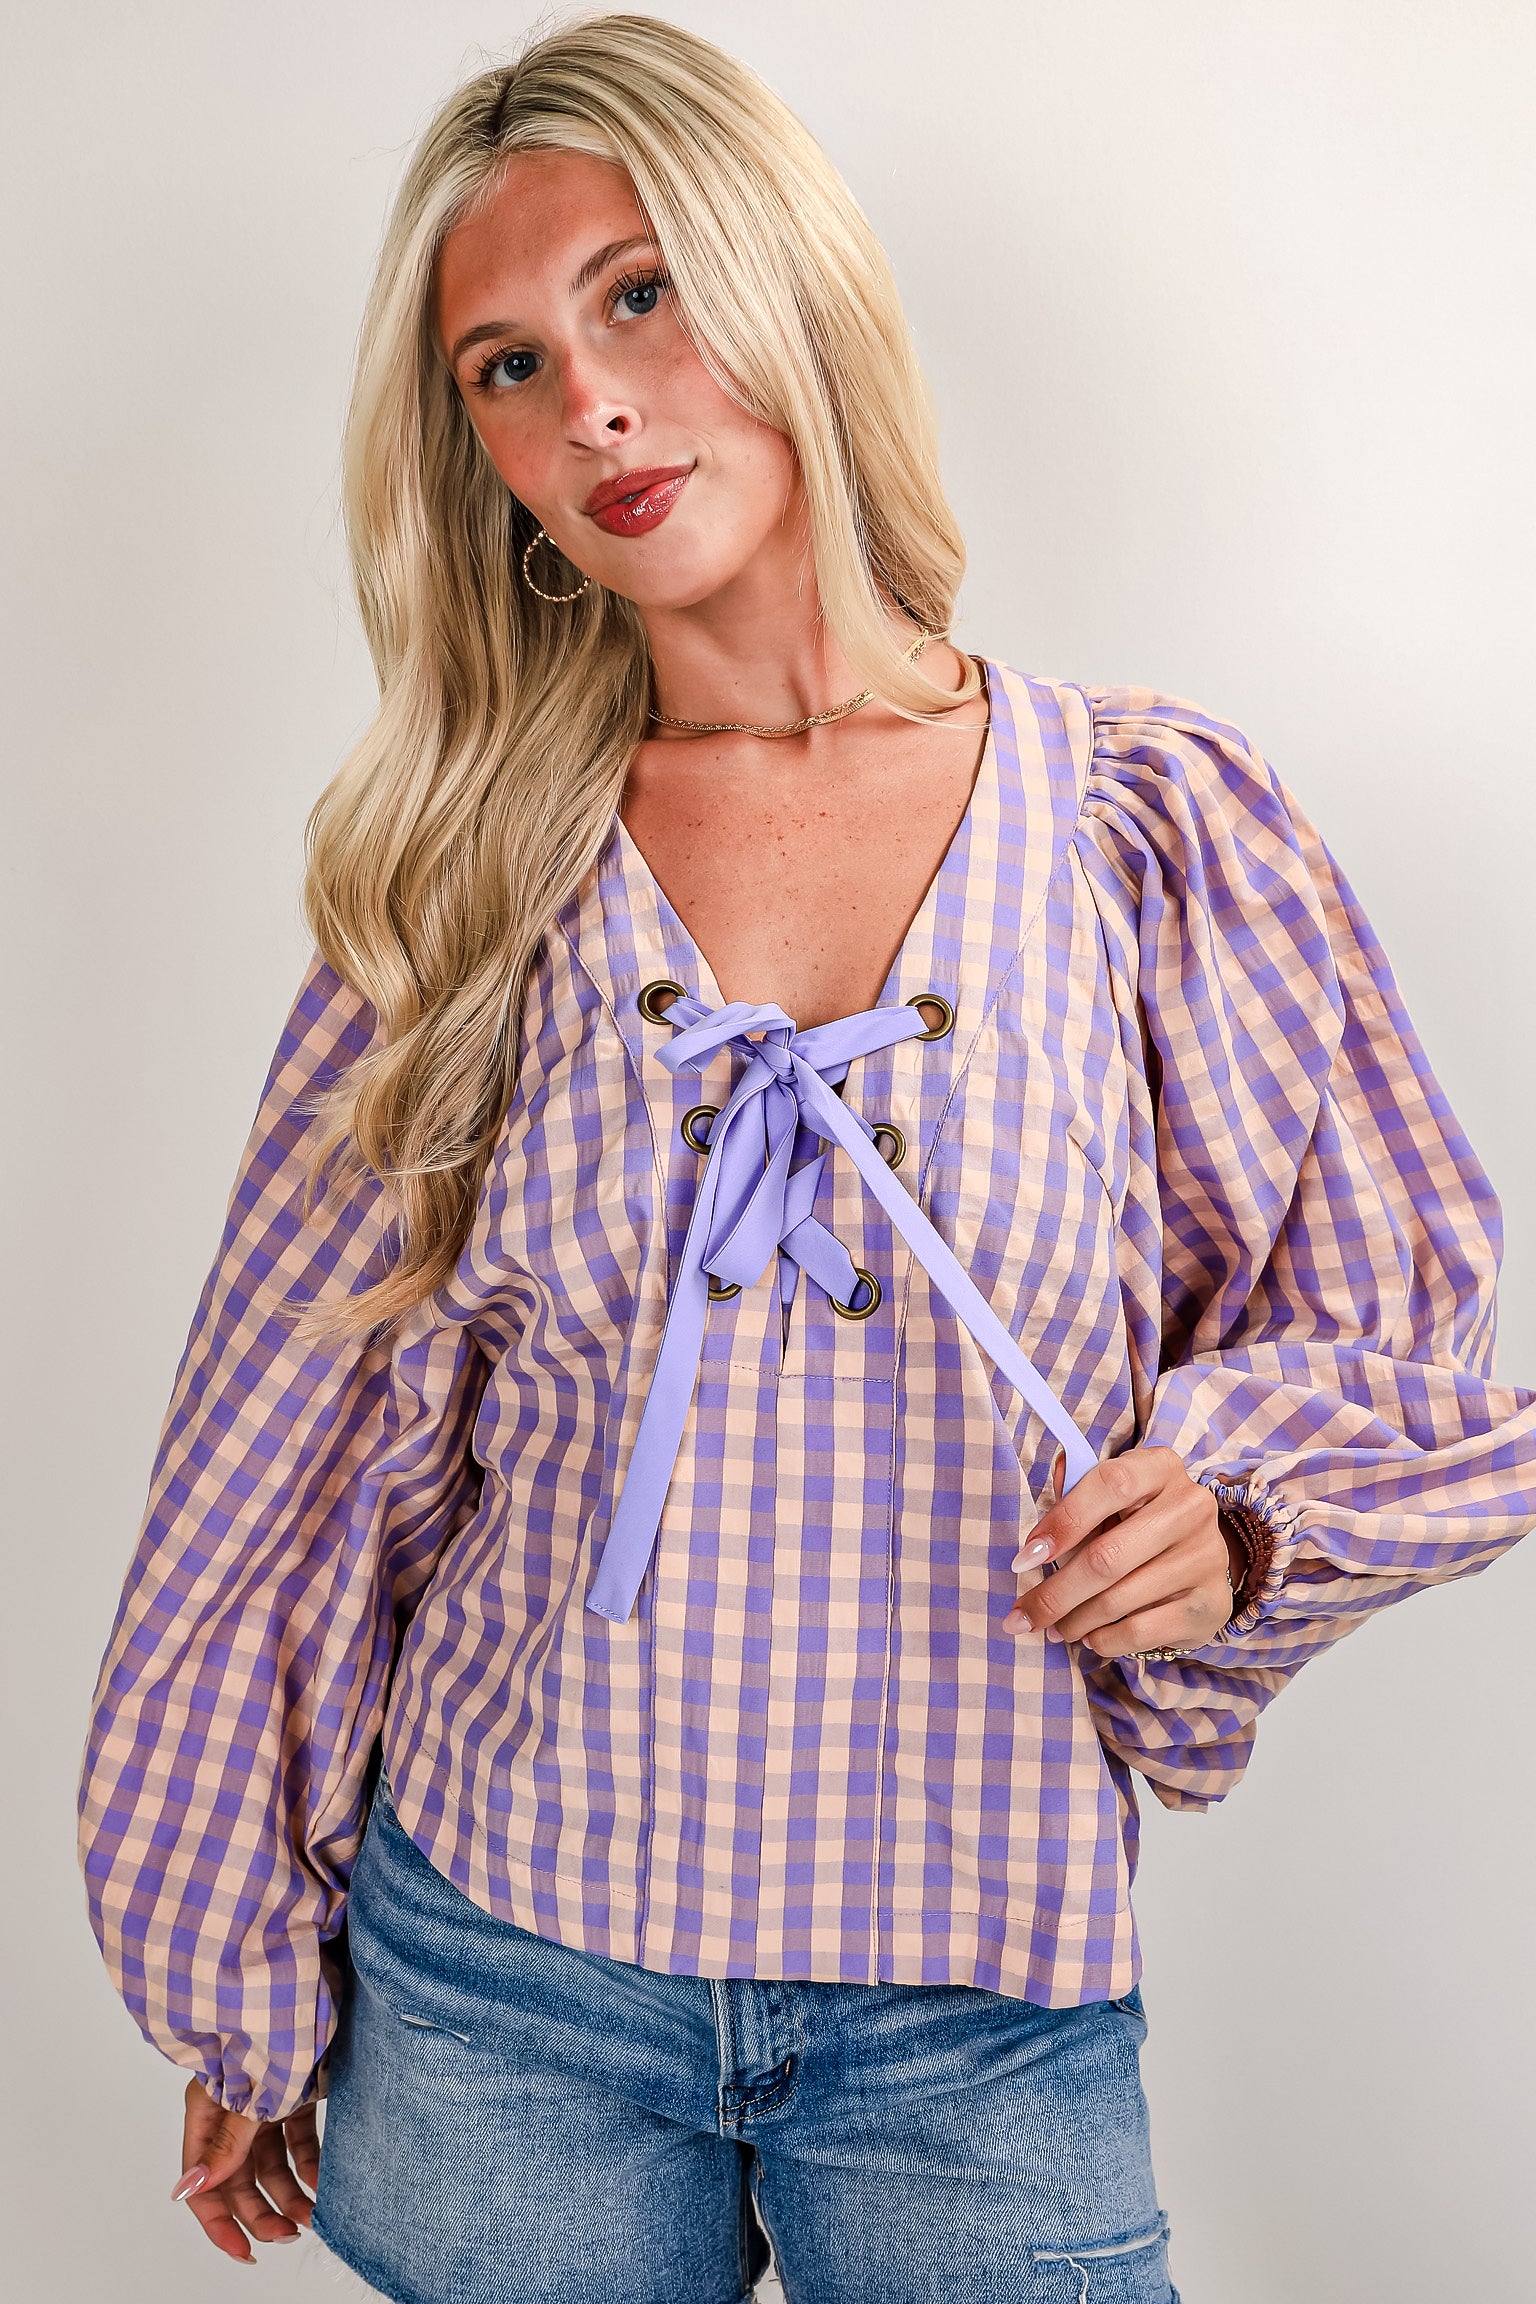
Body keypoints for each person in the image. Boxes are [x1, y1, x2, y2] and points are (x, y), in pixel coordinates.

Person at [78, 16, 1535, 2304]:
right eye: (507, 369)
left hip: (975, 1993)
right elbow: (293, 1448)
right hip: (504, 1979)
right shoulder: (472, 882)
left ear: (788, 280)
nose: (590, 407)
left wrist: (1238, 1514)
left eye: (639, 295)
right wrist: (237, 1957)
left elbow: (1398, 1336)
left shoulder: (1148, 828)